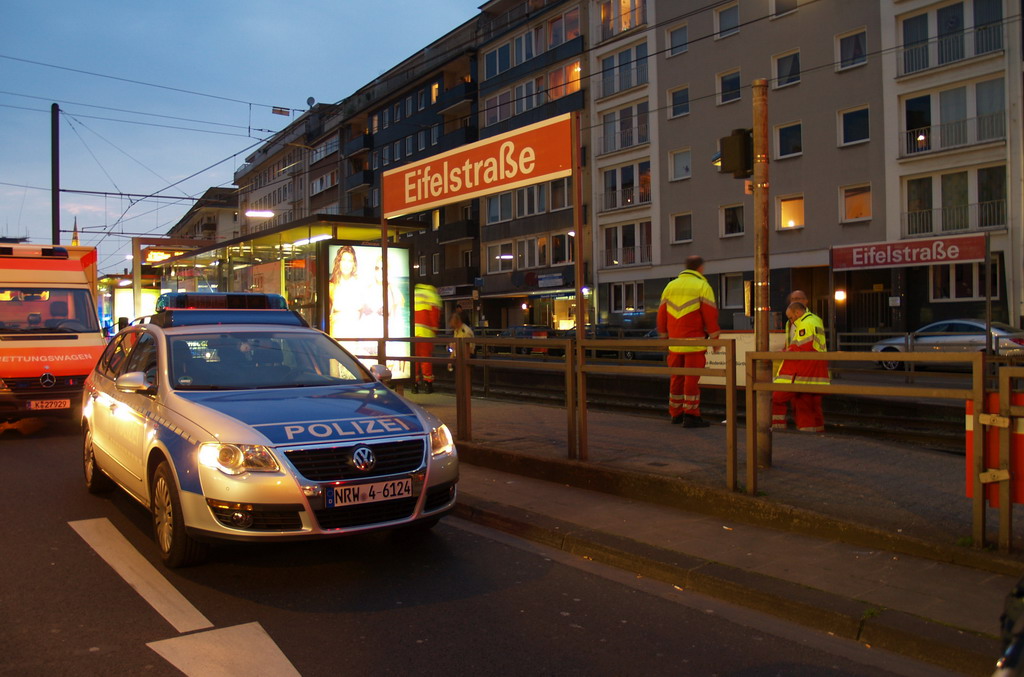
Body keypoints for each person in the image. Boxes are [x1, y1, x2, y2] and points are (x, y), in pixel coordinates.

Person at [657, 255, 721, 428]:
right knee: (691, 380)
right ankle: (691, 415)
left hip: (675, 343)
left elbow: (661, 314)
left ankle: (675, 413)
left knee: (676, 378)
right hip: (694, 342)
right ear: (700, 268)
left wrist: (663, 336)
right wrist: (715, 339)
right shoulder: (702, 286)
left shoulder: (670, 286)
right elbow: (710, 315)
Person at [772, 301, 829, 432]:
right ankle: (814, 430)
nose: (791, 321)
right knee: (809, 403)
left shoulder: (805, 324)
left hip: (801, 370)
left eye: (791, 317)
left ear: (797, 312)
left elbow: (802, 347)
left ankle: (778, 427)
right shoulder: (815, 320)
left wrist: (783, 353)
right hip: (816, 370)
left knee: (778, 397)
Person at [412, 283, 441, 393]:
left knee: (413, 359)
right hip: (426, 332)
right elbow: (434, 316)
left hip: (412, 332)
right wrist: (434, 330)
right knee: (425, 359)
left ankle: (414, 385)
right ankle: (428, 384)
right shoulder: (433, 295)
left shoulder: (414, 293)